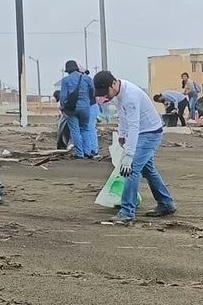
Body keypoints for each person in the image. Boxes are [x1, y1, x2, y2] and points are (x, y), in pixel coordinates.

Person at [93, 71, 178, 224]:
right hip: (143, 132)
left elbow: (134, 125)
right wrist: (121, 134)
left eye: (106, 92)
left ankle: (127, 212)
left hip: (149, 133)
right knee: (148, 170)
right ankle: (166, 203)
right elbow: (123, 115)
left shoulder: (130, 96)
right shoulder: (118, 92)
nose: (106, 96)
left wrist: (129, 155)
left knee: (130, 169)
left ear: (113, 83)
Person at [58, 61, 98, 159]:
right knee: (85, 129)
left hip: (72, 109)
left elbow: (63, 97)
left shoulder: (65, 80)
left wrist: (63, 108)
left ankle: (79, 153)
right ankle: (87, 151)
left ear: (67, 70)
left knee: (75, 131)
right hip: (85, 108)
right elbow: (93, 92)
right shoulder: (87, 78)